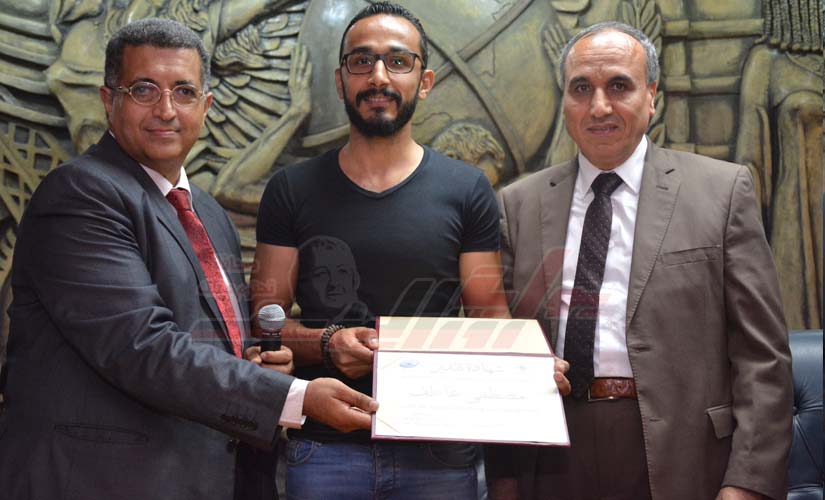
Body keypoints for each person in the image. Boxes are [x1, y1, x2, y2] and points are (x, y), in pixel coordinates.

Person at [0, 18, 376, 500]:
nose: (165, 109)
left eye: (183, 92)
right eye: (143, 90)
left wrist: (256, 364)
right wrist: (294, 396)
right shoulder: (80, 195)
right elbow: (141, 347)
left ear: (206, 105)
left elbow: (206, 344)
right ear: (108, 100)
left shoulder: (208, 213)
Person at [250, 3, 569, 498]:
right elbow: (265, 323)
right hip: (325, 449)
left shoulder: (467, 189)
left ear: (425, 81)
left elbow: (488, 316)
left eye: (398, 61)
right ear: (340, 80)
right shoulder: (291, 189)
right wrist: (328, 342)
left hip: (439, 453)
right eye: (362, 61)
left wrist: (526, 367)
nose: (378, 76)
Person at [493, 21, 793, 500]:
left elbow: (762, 358)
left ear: (651, 96)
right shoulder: (518, 204)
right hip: (551, 452)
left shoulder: (721, 191)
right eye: (581, 89)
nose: (599, 107)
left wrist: (747, 484)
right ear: (564, 100)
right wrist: (505, 480)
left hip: (682, 452)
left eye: (619, 86)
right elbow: (498, 345)